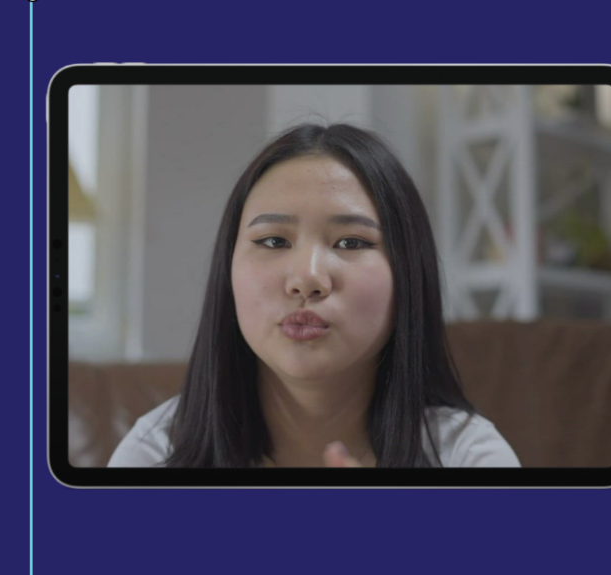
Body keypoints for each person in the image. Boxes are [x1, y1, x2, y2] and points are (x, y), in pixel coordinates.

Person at [108, 123, 520, 468]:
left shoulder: (468, 457)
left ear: (408, 276)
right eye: (272, 241)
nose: (306, 278)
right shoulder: (156, 454)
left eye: (351, 243)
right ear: (227, 272)